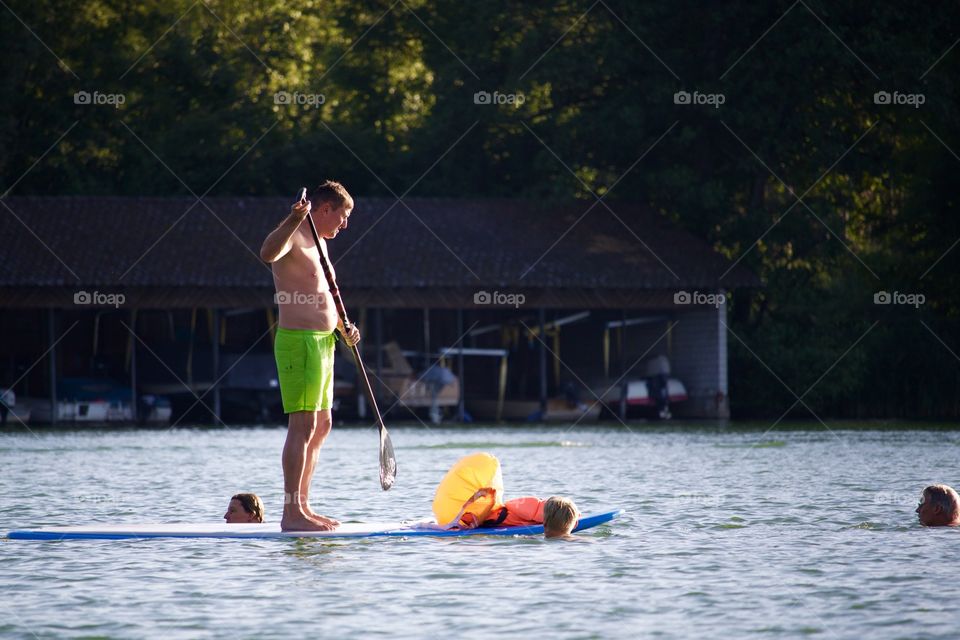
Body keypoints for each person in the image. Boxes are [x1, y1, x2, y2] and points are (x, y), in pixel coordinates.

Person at [260, 181, 361, 532]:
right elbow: (267, 253)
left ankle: (304, 505)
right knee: (301, 425)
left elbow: (324, 295)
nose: (344, 225)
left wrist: (343, 328)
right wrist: (293, 217)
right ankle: (291, 514)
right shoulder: (294, 235)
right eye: (343, 216)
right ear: (324, 209)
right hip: (298, 342)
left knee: (322, 425)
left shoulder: (321, 245)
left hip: (324, 342)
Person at [432, 452, 581, 538]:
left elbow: (510, 504)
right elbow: (511, 505)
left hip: (486, 521)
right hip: (489, 516)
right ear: (574, 525)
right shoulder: (533, 509)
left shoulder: (537, 515)